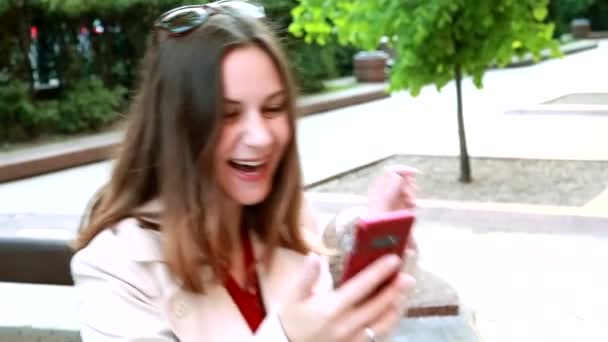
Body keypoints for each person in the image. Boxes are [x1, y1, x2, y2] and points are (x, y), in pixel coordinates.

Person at [70, 1, 417, 341]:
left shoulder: (290, 219)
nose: (261, 137)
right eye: (228, 114)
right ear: (176, 128)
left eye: (273, 108)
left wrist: (374, 246)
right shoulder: (115, 268)